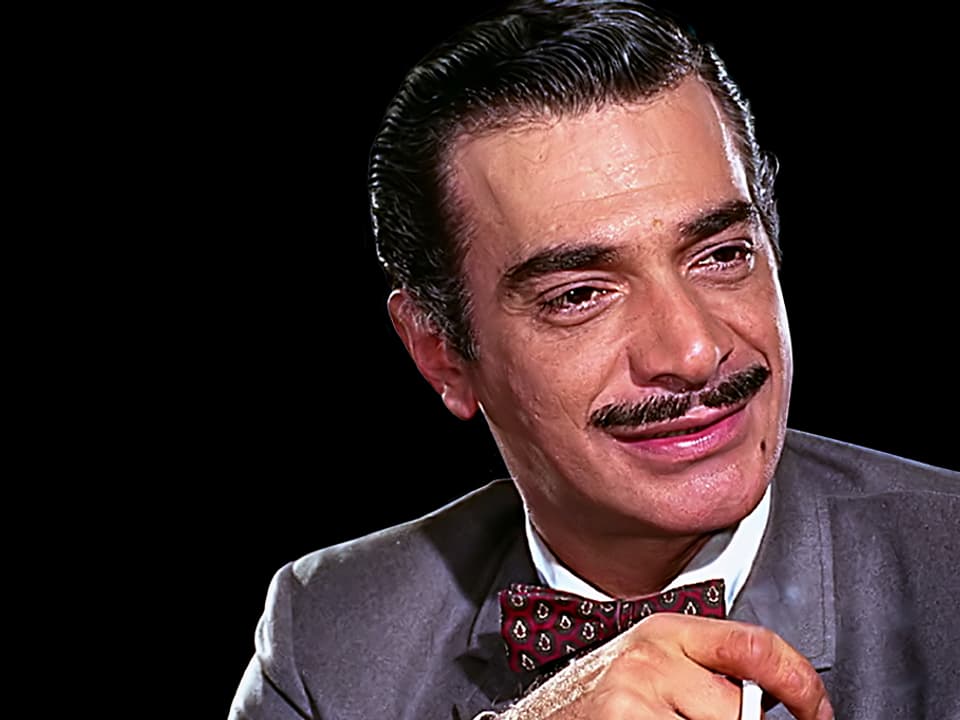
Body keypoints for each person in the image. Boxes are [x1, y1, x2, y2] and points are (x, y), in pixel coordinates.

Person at [230, 2, 959, 718]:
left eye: (721, 255)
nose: (694, 351)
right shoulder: (327, 636)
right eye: (580, 295)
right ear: (442, 355)